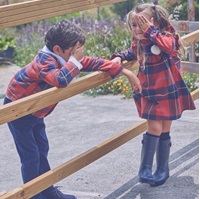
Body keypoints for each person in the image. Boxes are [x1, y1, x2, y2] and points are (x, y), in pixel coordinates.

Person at [3, 19, 141, 199]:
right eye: (74, 52)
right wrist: (75, 61)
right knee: (31, 156)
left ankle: (46, 189)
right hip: (18, 111)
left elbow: (91, 62)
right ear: (58, 49)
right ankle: (33, 195)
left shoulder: (63, 58)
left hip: (36, 111)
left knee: (42, 149)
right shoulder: (44, 61)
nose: (78, 56)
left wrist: (125, 72)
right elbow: (60, 80)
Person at [111, 3, 196, 186]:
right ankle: (145, 169)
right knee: (155, 128)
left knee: (165, 129)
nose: (138, 29)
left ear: (155, 23)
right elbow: (129, 53)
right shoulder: (140, 44)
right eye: (134, 25)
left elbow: (167, 47)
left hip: (169, 91)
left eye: (142, 24)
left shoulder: (167, 37)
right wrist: (118, 57)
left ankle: (162, 169)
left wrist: (150, 31)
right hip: (150, 93)